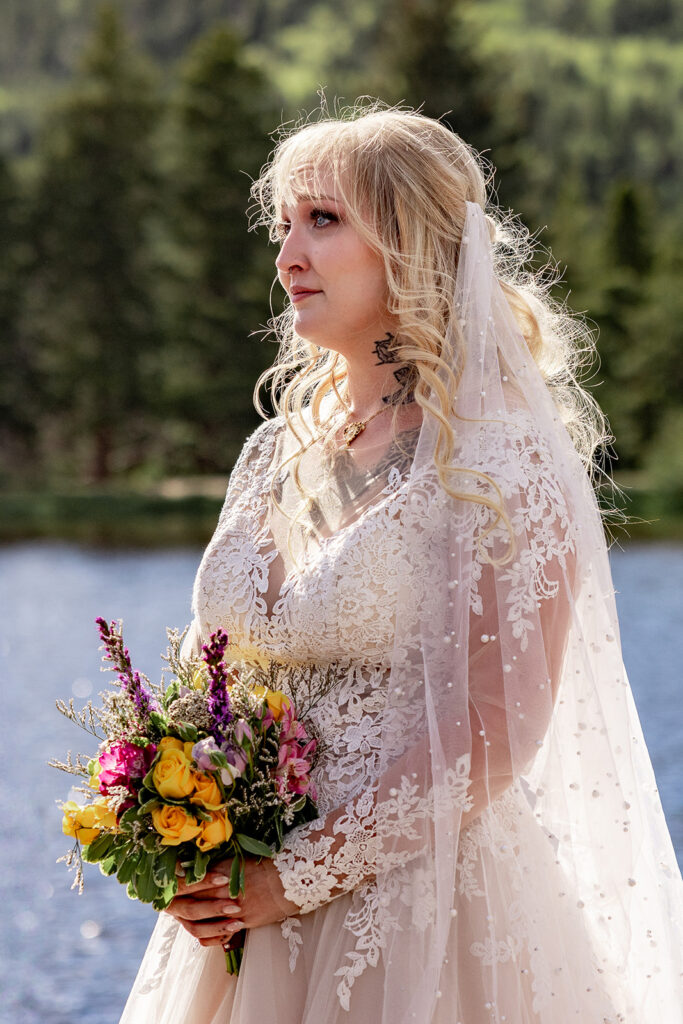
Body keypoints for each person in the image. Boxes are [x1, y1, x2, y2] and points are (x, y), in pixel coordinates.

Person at [119, 103, 683, 1024]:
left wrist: (295, 878)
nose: (286, 255)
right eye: (282, 227)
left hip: (422, 918)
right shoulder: (276, 449)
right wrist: (190, 843)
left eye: (322, 220)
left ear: (412, 242)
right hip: (245, 914)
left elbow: (497, 726)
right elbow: (216, 681)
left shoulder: (500, 456)